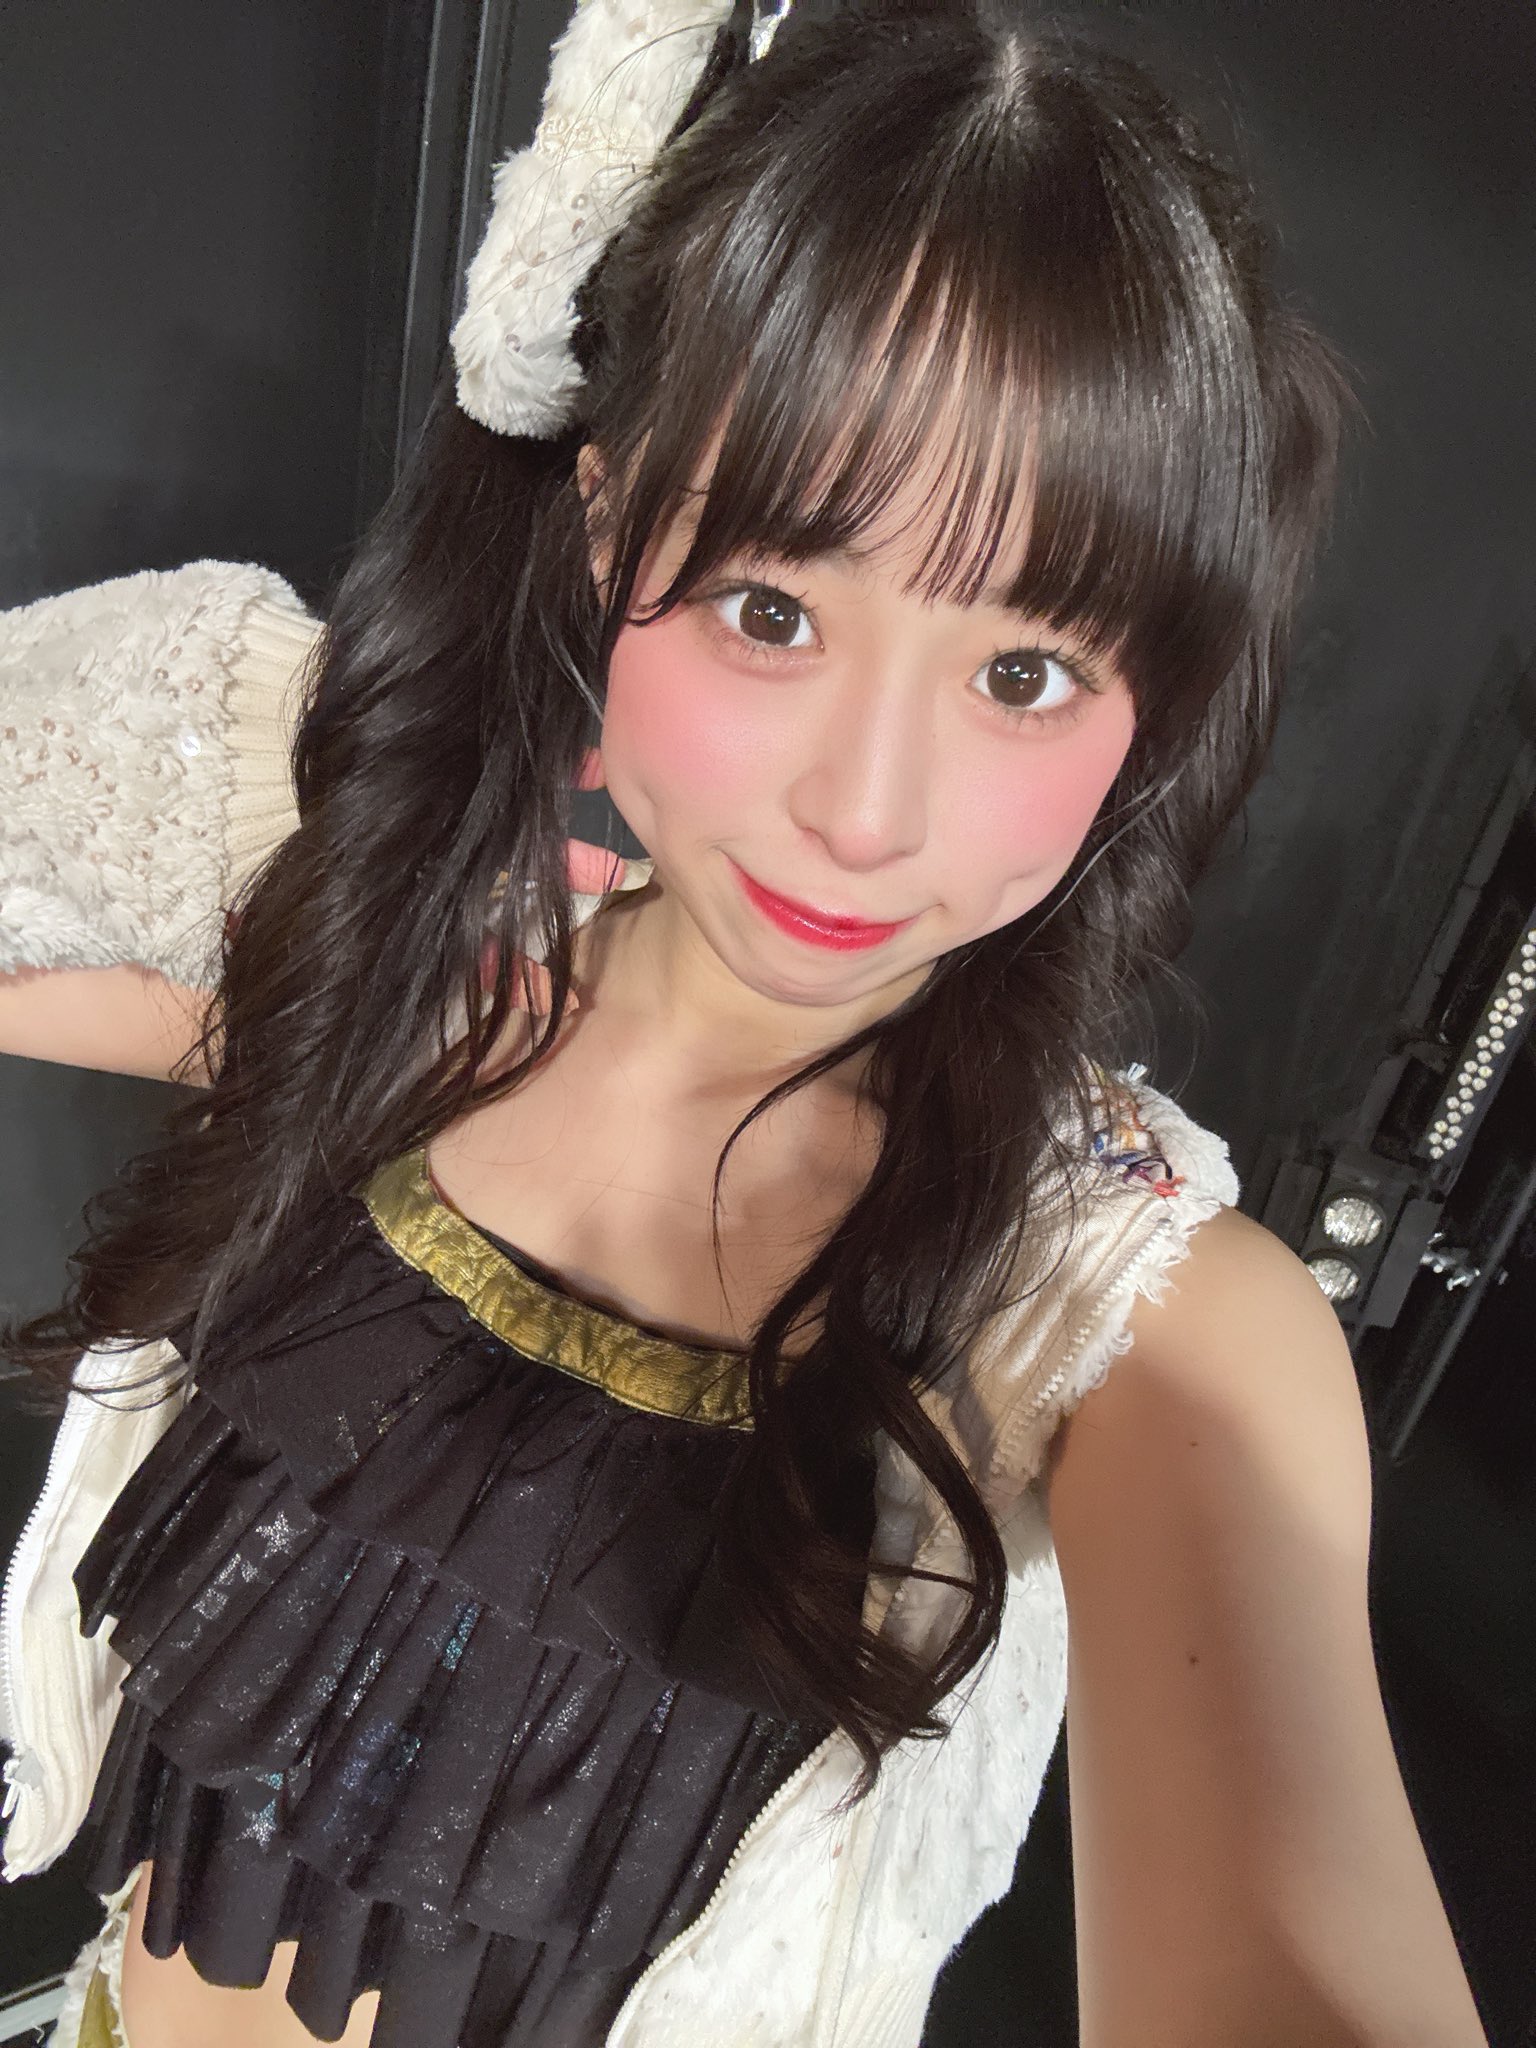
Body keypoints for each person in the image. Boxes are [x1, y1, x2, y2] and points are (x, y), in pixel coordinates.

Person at [0, 1, 1490, 2044]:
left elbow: (1295, 1964)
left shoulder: (1140, 1319)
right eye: (772, 613)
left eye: (1027, 673)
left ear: (1156, 702)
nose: (865, 813)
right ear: (612, 535)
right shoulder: (405, 993)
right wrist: (379, 806)